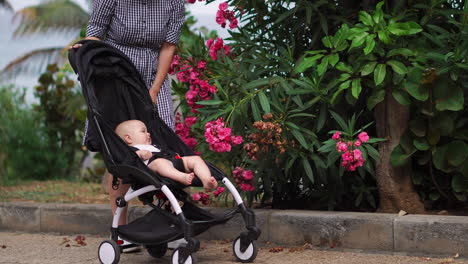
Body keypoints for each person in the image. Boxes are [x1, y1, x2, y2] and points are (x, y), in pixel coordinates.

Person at [69, 0, 185, 251]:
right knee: (121, 149)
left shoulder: (174, 2)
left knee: (164, 144)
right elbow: (96, 31)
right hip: (115, 74)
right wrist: (86, 52)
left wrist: (154, 89)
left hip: (154, 73)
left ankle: (171, 224)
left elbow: (168, 45)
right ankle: (121, 230)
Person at [115, 119, 218, 190]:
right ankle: (182, 177)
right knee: (159, 163)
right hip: (153, 170)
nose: (148, 134)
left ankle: (206, 181)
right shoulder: (132, 150)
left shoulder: (154, 145)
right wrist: (139, 154)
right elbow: (127, 162)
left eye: (147, 131)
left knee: (195, 159)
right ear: (128, 138)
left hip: (173, 162)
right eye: (143, 131)